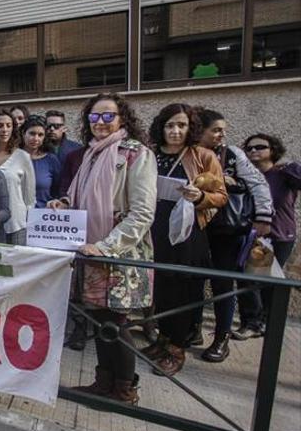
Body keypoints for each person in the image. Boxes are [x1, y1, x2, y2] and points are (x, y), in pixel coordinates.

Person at [47, 92, 157, 405]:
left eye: (108, 116)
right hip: (90, 251)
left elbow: (142, 212)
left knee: (117, 323)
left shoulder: (136, 154)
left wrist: (106, 246)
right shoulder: (90, 154)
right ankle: (103, 382)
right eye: (94, 117)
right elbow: (81, 197)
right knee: (101, 321)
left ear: (122, 118)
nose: (101, 123)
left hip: (119, 254)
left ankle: (125, 390)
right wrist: (64, 204)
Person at [141, 104, 226, 377]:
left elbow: (221, 195)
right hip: (154, 230)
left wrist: (199, 197)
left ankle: (177, 348)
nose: (175, 131)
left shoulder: (203, 156)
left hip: (187, 234)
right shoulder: (151, 154)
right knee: (161, 288)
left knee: (182, 290)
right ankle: (163, 340)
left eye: (181, 125)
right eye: (169, 125)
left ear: (191, 129)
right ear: (161, 127)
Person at [195, 110, 273, 362]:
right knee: (191, 280)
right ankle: (191, 330)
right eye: (216, 130)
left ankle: (222, 337)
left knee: (223, 284)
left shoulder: (232, 155)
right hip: (193, 228)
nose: (221, 134)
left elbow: (257, 184)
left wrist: (263, 217)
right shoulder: (189, 152)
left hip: (226, 230)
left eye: (222, 130)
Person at [235, 133, 300, 338]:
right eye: (249, 148)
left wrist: (292, 168)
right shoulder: (246, 176)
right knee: (248, 279)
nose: (254, 151)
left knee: (267, 281)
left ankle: (262, 322)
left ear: (272, 150)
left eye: (260, 147)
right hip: (251, 235)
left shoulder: (283, 174)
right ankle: (253, 322)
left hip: (279, 235)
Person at [0, 108, 35, 244]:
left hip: (16, 224)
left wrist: (28, 221)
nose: (4, 129)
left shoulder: (22, 157)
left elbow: (29, 197)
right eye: (0, 125)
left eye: (9, 125)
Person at [21, 116, 61, 208]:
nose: (36, 138)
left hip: (42, 217)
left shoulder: (51, 160)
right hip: (15, 216)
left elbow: (59, 190)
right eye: (32, 133)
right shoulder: (12, 157)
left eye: (40, 135)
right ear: (23, 133)